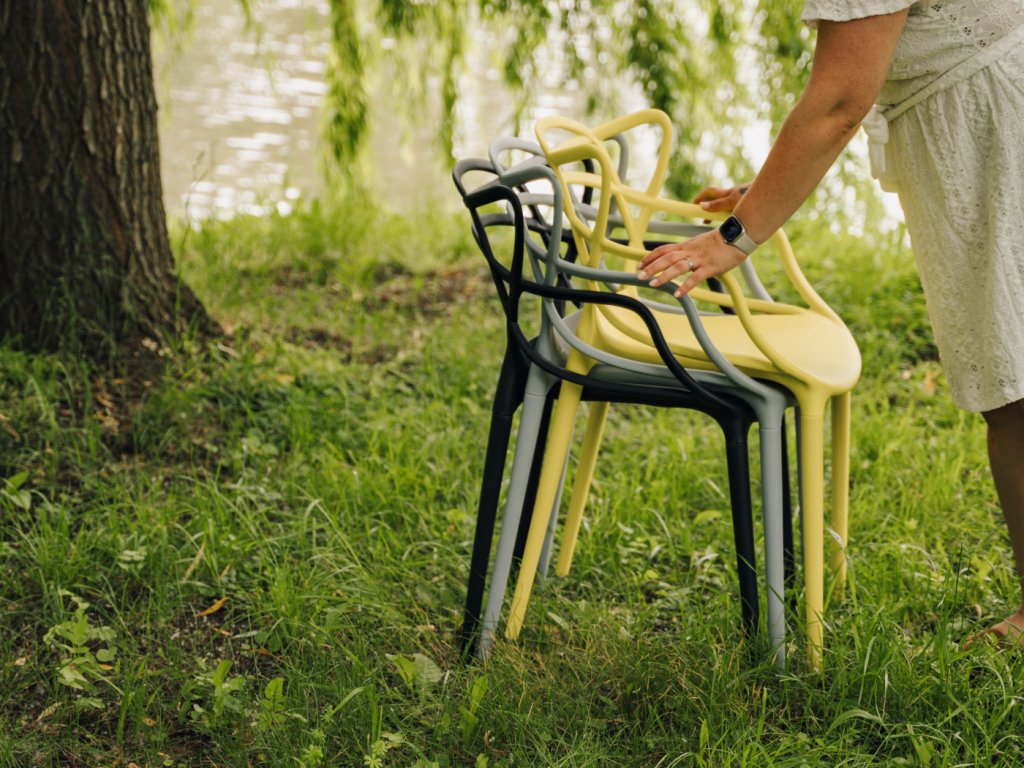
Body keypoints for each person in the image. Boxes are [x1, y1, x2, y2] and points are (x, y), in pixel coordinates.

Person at [636, 1, 1024, 644]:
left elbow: (840, 102)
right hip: (988, 115)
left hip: (998, 129)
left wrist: (733, 237)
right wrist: (765, 193)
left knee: (1016, 387)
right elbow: (864, 73)